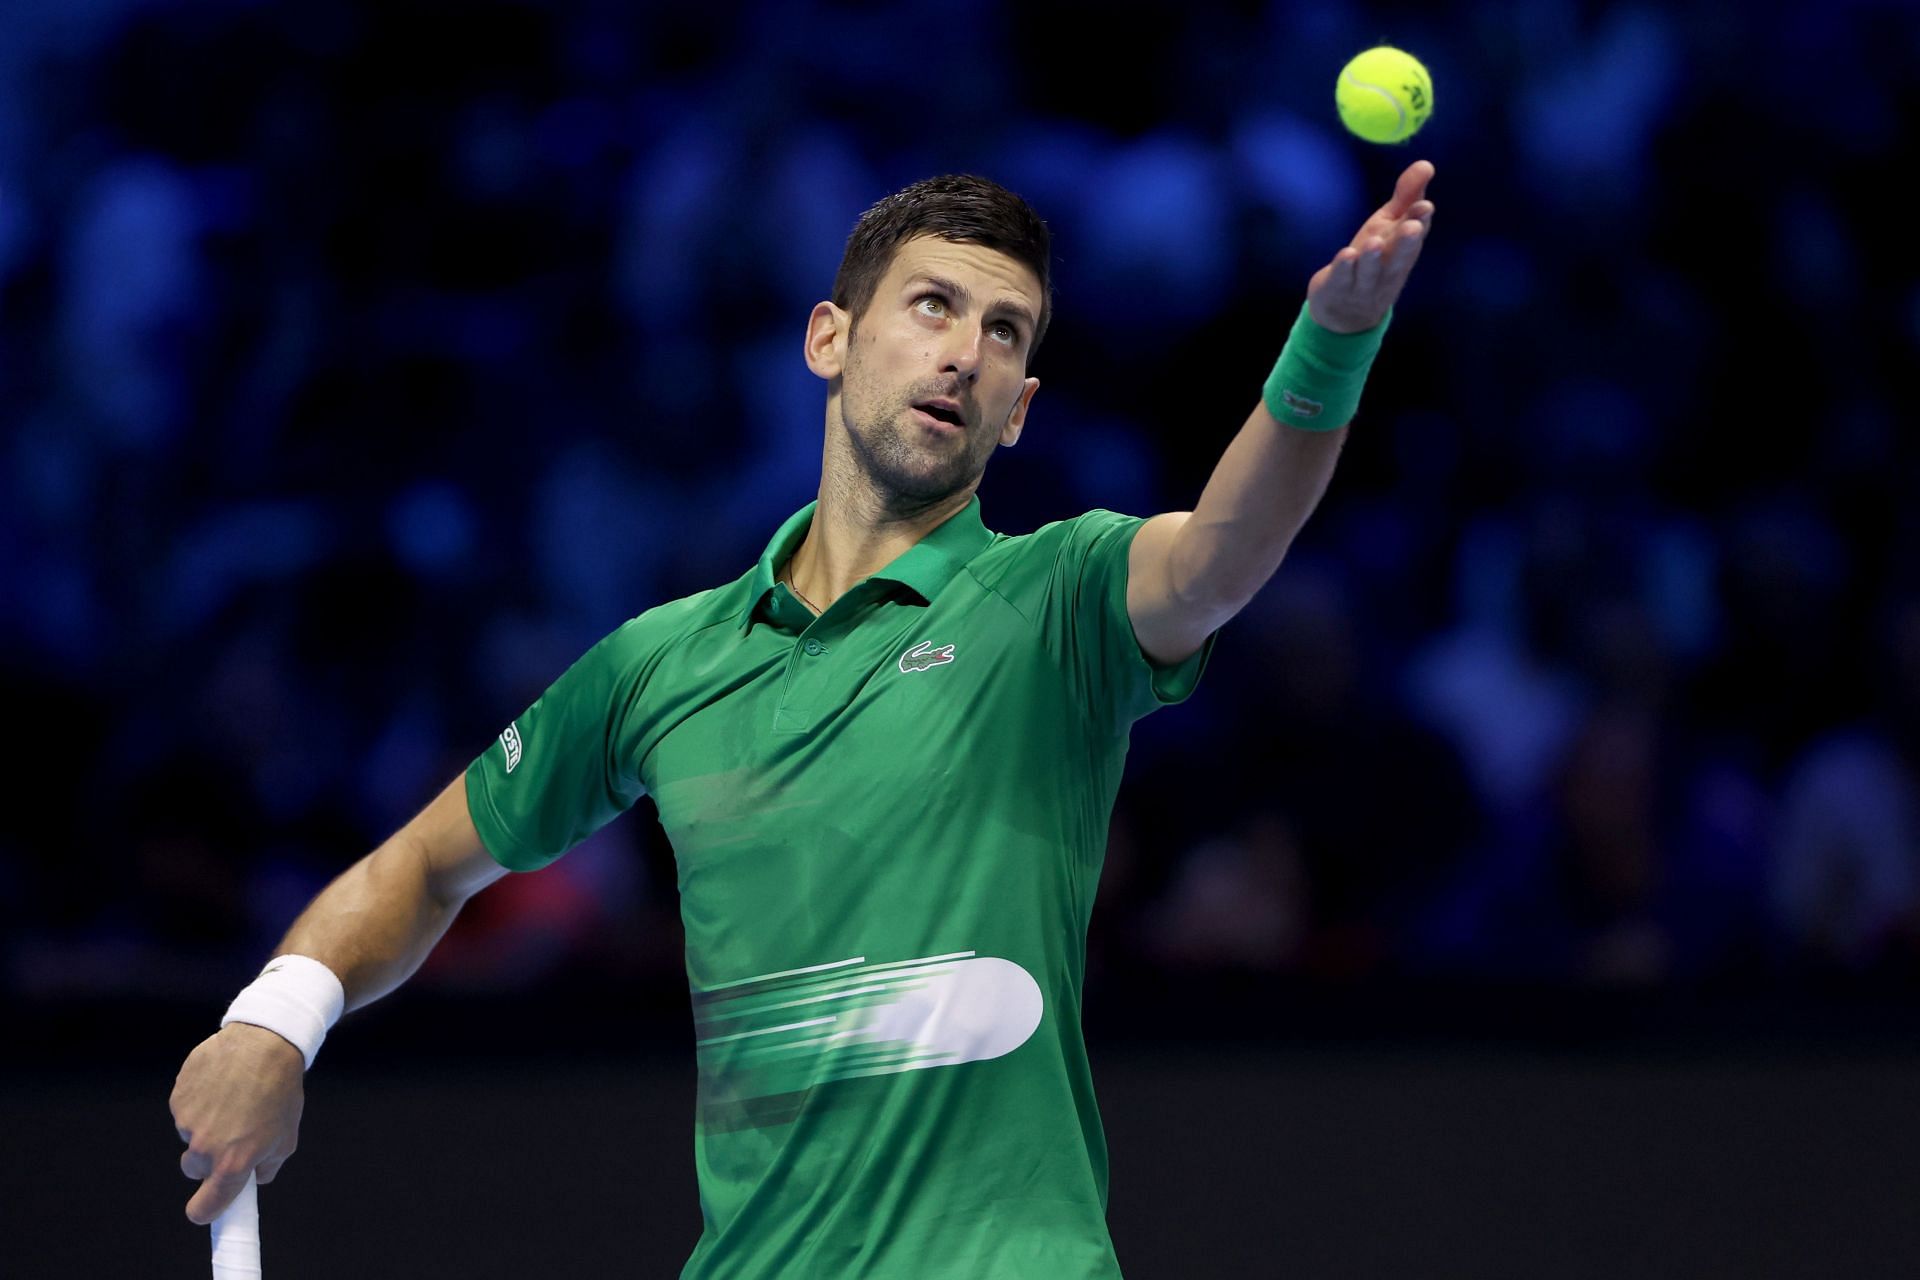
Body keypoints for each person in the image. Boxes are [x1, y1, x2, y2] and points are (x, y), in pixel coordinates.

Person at [171, 163, 1434, 1277]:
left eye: (1006, 333)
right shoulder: (659, 665)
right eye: (933, 306)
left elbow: (1221, 555)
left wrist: (1332, 340)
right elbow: (424, 862)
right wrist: (276, 1019)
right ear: (830, 338)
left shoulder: (1059, 597)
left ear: (1022, 407)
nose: (965, 352)